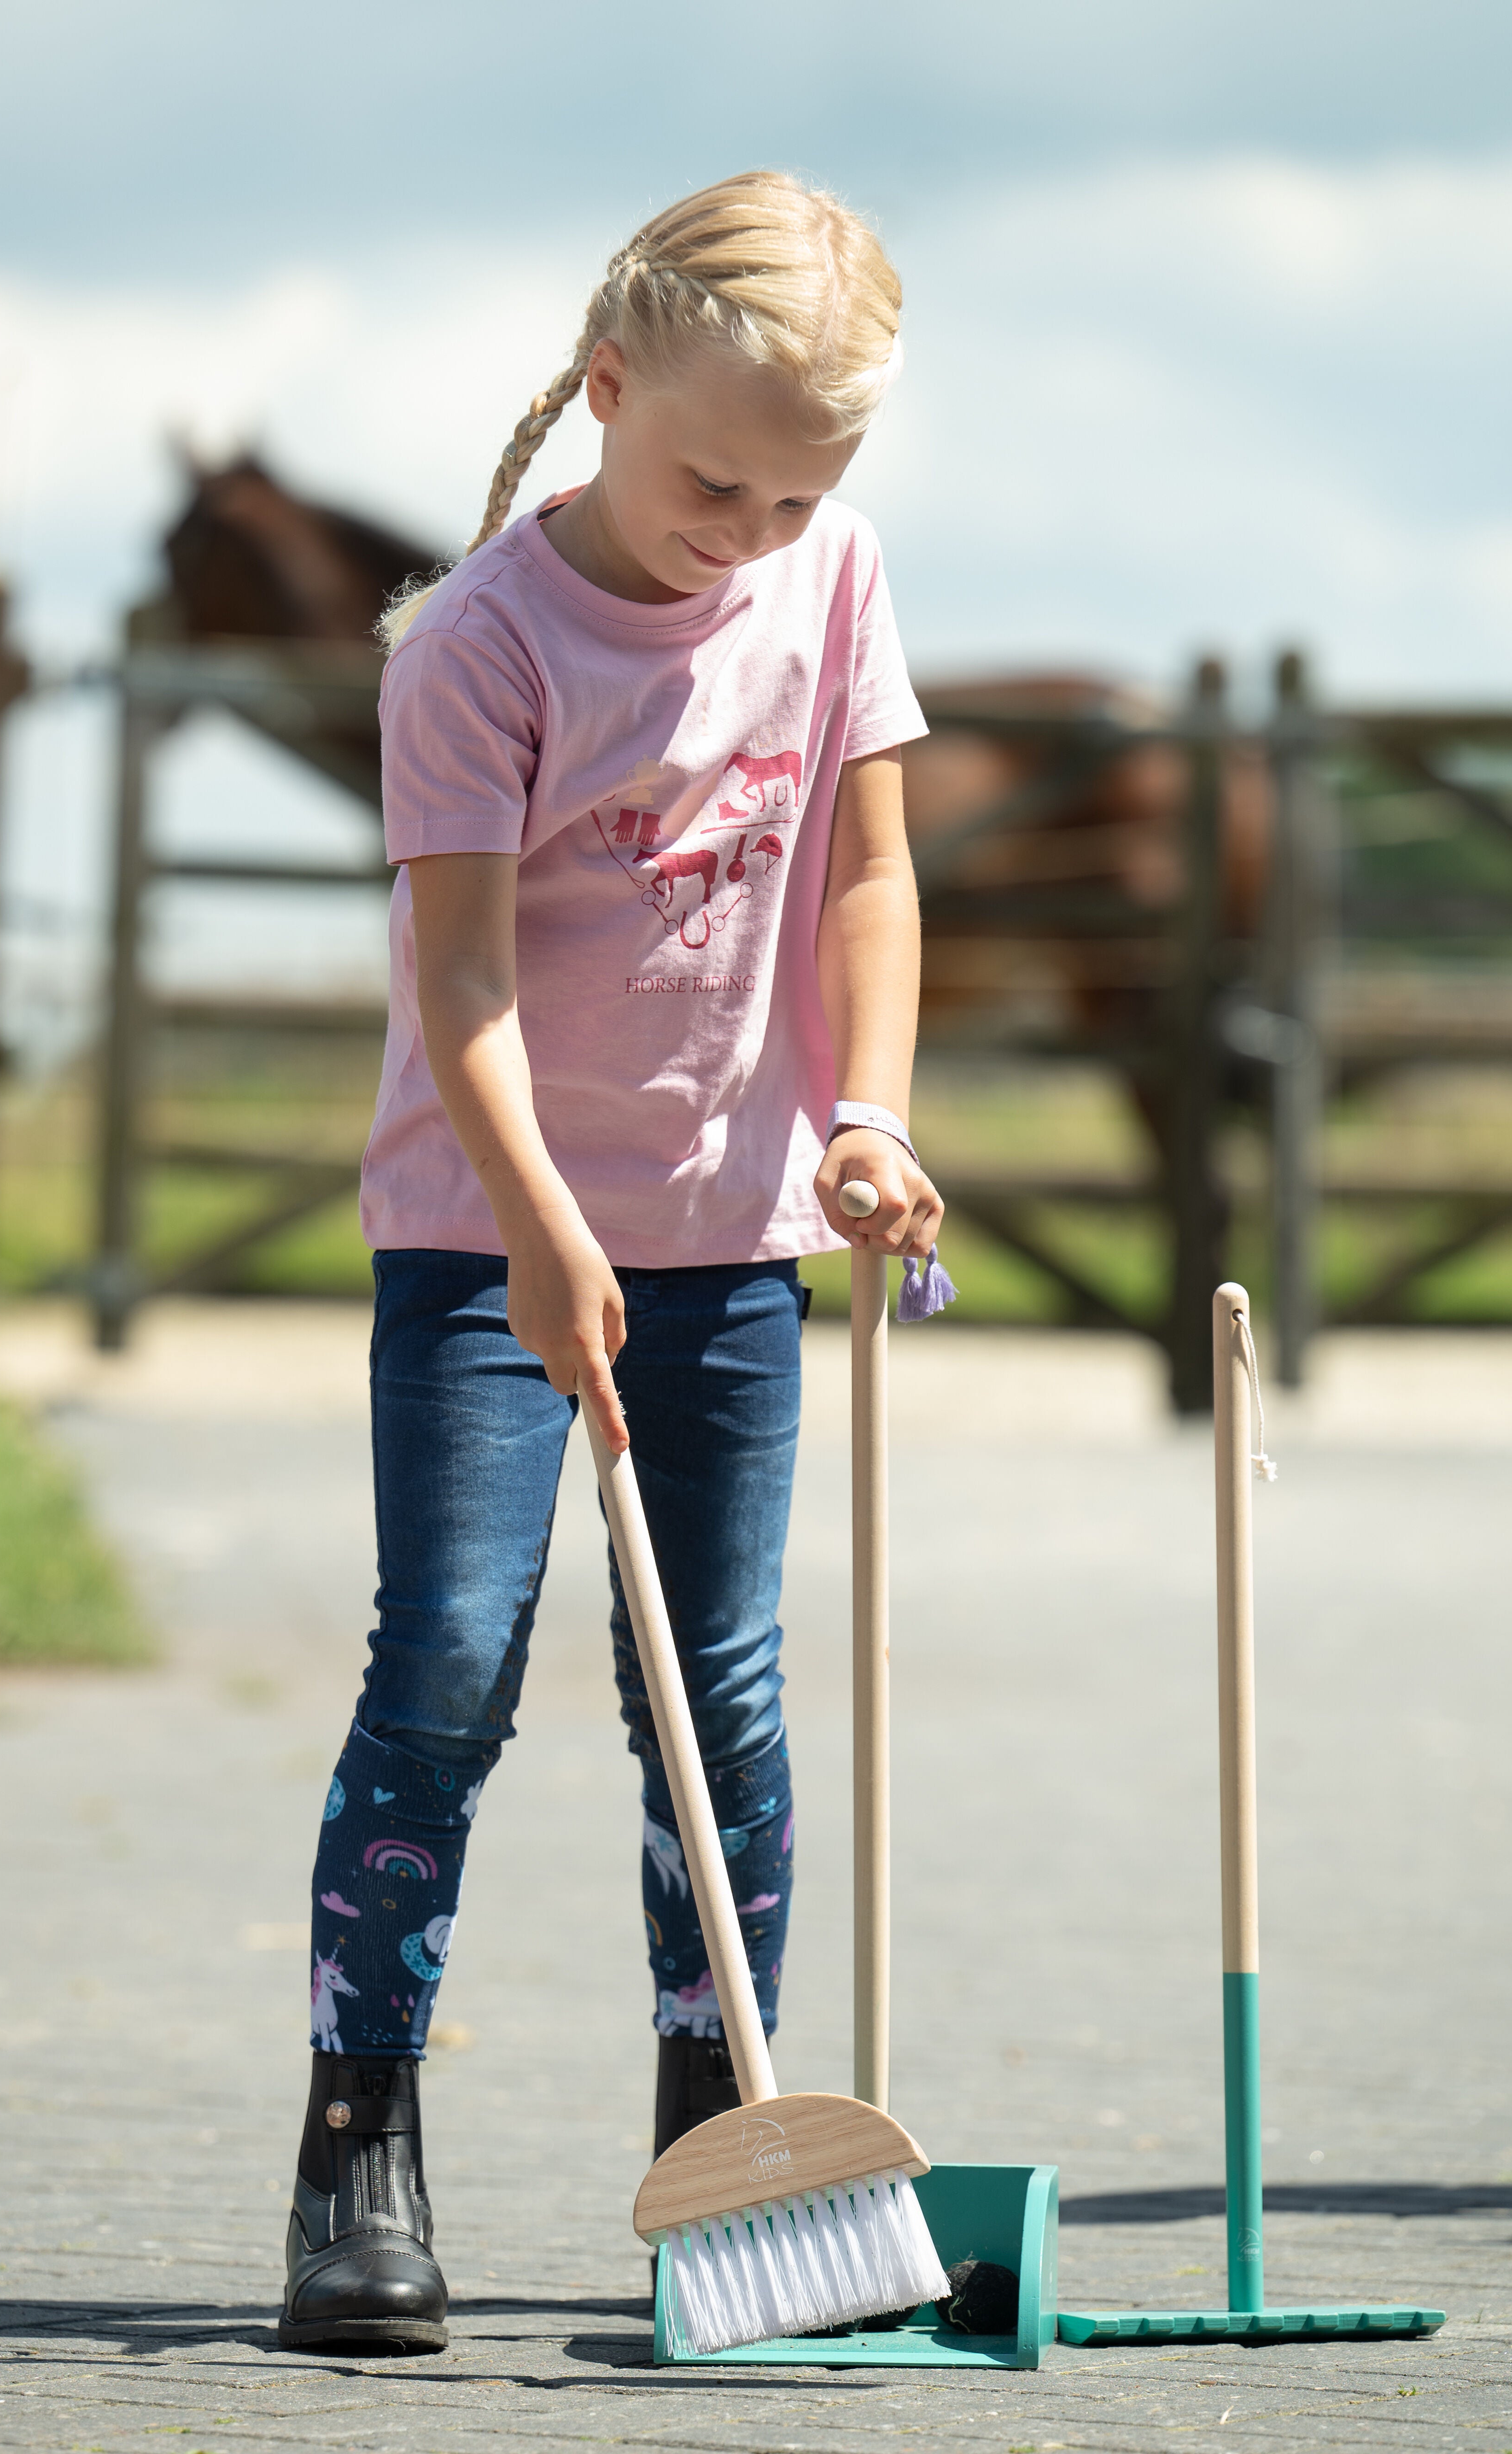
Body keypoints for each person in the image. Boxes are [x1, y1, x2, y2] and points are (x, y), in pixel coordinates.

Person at [280, 169, 946, 2355]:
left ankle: (724, 2127)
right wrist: (548, 1236)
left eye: (794, 495)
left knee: (715, 1695)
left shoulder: (832, 578)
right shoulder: (478, 644)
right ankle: (359, 2144)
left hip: (729, 1239)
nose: (747, 534)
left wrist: (867, 1116)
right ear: (606, 388)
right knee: (448, 1666)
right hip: (488, 1240)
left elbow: (866, 876)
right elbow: (461, 979)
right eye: (711, 484)